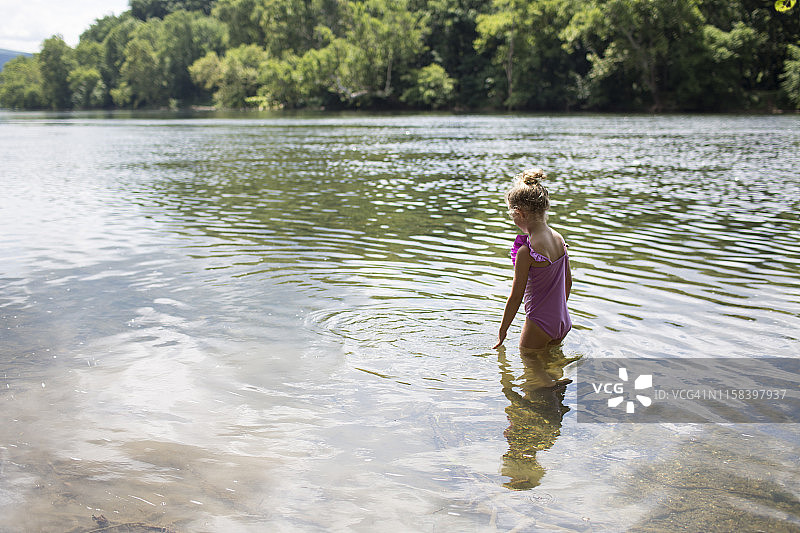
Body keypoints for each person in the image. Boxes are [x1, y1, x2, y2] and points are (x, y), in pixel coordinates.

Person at [494, 168, 572, 350]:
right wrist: (556, 313)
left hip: (539, 324)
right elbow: (568, 283)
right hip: (562, 319)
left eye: (511, 215)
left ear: (519, 213)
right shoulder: (559, 239)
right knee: (552, 360)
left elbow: (516, 296)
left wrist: (502, 330)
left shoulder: (526, 251)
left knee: (528, 361)